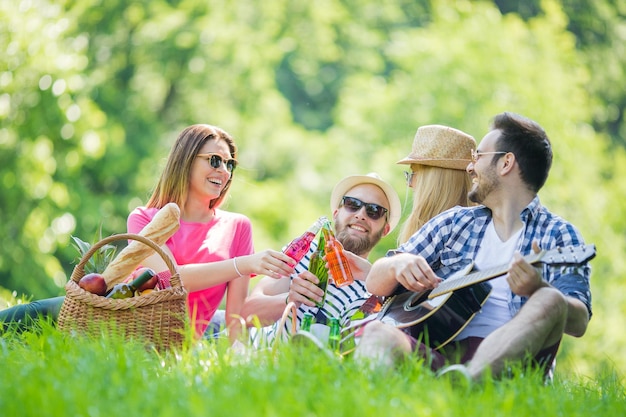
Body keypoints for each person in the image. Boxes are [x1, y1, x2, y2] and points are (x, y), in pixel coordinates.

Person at [353, 112, 592, 382]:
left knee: (551, 299)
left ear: (506, 163)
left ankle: (472, 383)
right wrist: (397, 265)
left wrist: (539, 289)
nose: (469, 167)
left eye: (477, 157)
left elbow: (580, 320)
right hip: (445, 357)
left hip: (515, 370)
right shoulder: (455, 221)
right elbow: (375, 281)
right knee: (377, 334)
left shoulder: (559, 234)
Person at [1, 124, 297, 342]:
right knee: (34, 314)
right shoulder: (144, 218)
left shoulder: (238, 227)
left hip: (168, 340)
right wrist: (243, 264)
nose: (225, 171)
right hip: (119, 315)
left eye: (230, 164)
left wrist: (237, 357)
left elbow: (235, 317)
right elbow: (171, 279)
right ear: (186, 160)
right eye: (215, 160)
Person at [239, 172, 401, 344]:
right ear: (336, 213)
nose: (361, 214)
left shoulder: (375, 289)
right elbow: (246, 315)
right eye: (353, 204)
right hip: (258, 355)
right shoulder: (304, 252)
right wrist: (290, 298)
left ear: (385, 230)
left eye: (374, 211)